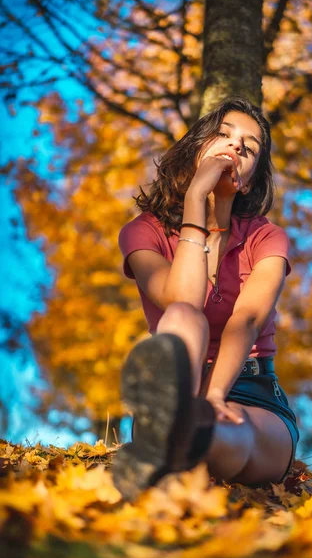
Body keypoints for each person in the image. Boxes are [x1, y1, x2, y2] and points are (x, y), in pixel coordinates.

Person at [112, 96, 300, 501]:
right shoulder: (143, 232)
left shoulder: (268, 238)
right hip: (179, 378)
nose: (235, 147)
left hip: (252, 387)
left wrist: (214, 397)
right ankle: (176, 416)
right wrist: (197, 199)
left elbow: (246, 320)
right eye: (224, 134)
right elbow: (181, 299)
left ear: (249, 177)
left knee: (236, 433)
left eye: (248, 147)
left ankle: (187, 431)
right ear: (195, 147)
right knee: (182, 314)